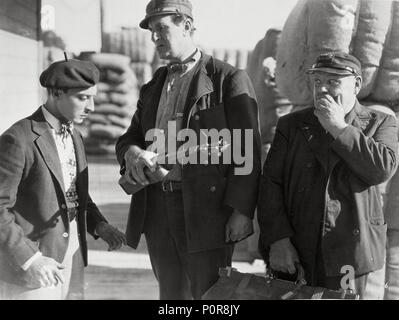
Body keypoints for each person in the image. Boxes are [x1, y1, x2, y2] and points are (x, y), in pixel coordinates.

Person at [116, 0, 261, 300]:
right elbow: (129, 137)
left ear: (187, 25)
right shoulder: (153, 85)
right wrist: (132, 153)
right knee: (171, 298)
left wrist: (241, 211)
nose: (155, 37)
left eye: (162, 28)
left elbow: (248, 152)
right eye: (152, 30)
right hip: (157, 211)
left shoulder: (227, 80)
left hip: (206, 212)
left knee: (211, 298)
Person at [257, 52, 398, 299]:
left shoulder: (381, 122)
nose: (322, 89)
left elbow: (381, 168)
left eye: (333, 81)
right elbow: (270, 184)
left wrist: (338, 127)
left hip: (350, 251)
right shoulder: (291, 125)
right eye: (317, 81)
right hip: (297, 249)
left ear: (356, 84)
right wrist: (278, 240)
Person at [0, 58, 126, 300]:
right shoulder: (19, 138)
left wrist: (99, 225)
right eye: (83, 98)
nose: (92, 106)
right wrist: (30, 258)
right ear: (56, 93)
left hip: (74, 257)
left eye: (93, 97)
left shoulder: (75, 135)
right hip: (34, 267)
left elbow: (72, 189)